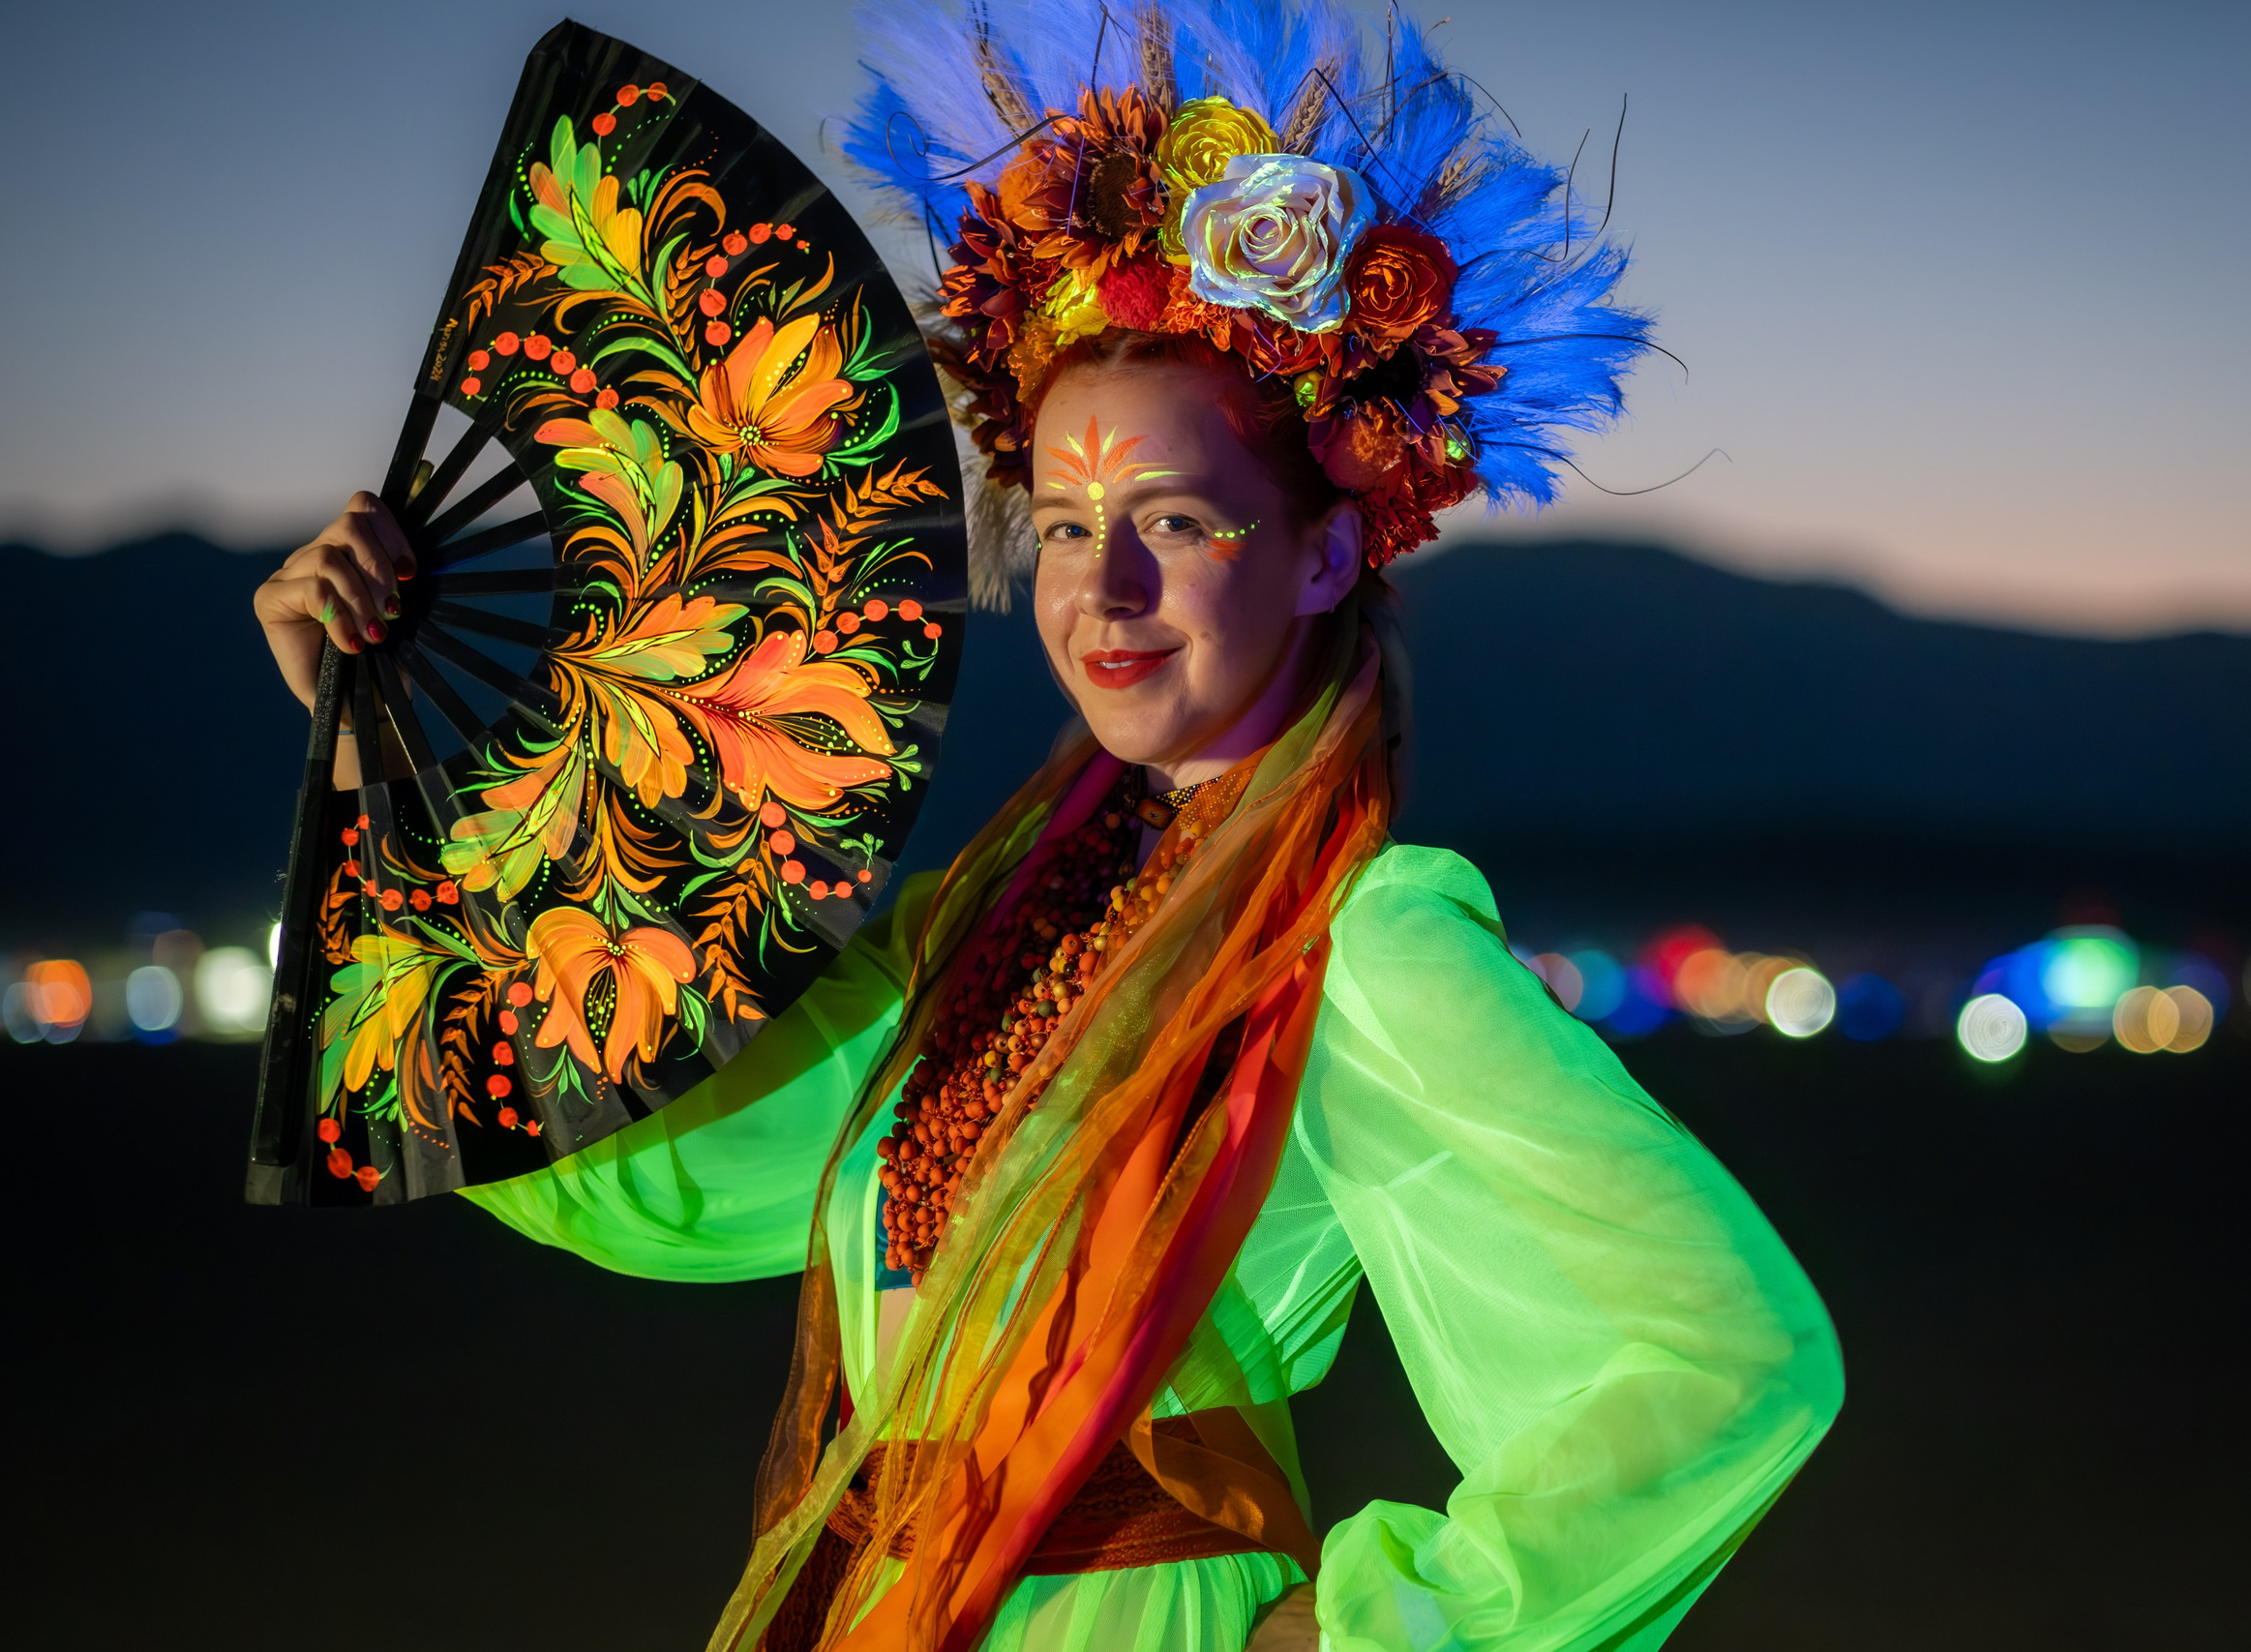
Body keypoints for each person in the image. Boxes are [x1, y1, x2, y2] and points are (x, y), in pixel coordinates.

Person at [254, 6, 1842, 1651]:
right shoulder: (978, 929)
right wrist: (372, 757)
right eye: (1072, 524)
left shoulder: (1358, 944)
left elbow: (1722, 1354)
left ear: (1322, 557)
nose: (1109, 588)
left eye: (1178, 518)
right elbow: (650, 1145)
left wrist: (1384, 1631)